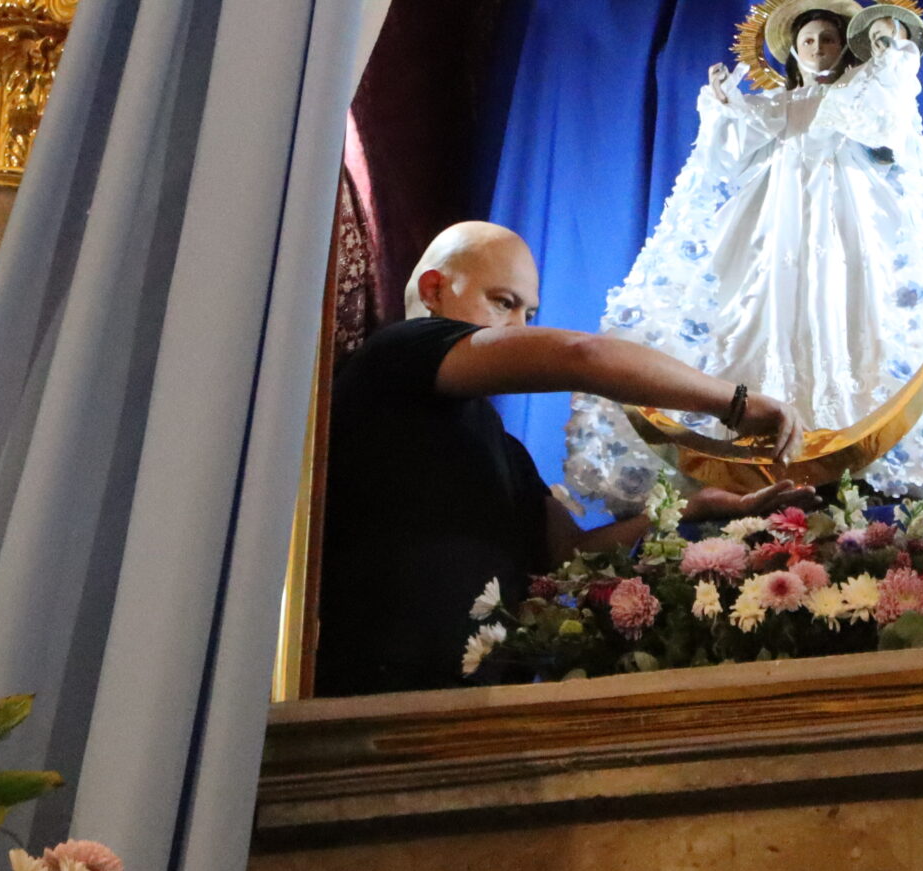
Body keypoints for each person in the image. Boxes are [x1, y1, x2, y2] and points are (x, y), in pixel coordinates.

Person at [565, 0, 923, 539]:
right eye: (806, 39)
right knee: (764, 313)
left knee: (845, 311)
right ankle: (767, 428)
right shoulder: (777, 108)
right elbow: (729, 150)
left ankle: (842, 439)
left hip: (847, 225)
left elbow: (888, 114)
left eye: (828, 38)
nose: (816, 48)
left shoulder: (858, 101)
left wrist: (891, 46)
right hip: (773, 232)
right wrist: (722, 106)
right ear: (791, 50)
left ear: (844, 46)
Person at [317, 220, 807, 695]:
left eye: (529, 314)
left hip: (476, 702)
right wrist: (734, 403)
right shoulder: (397, 352)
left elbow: (566, 553)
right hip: (381, 691)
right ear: (433, 290)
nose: (519, 327)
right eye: (503, 303)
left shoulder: (500, 443)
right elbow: (581, 356)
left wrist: (694, 509)